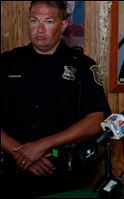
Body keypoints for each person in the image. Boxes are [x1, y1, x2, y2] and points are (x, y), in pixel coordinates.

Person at [1, 1, 111, 197]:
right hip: (11, 174)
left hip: (65, 176)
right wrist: (22, 154)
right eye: (34, 20)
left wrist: (41, 146)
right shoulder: (7, 62)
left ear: (63, 25)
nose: (40, 29)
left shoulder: (82, 66)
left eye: (49, 21)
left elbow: (95, 120)